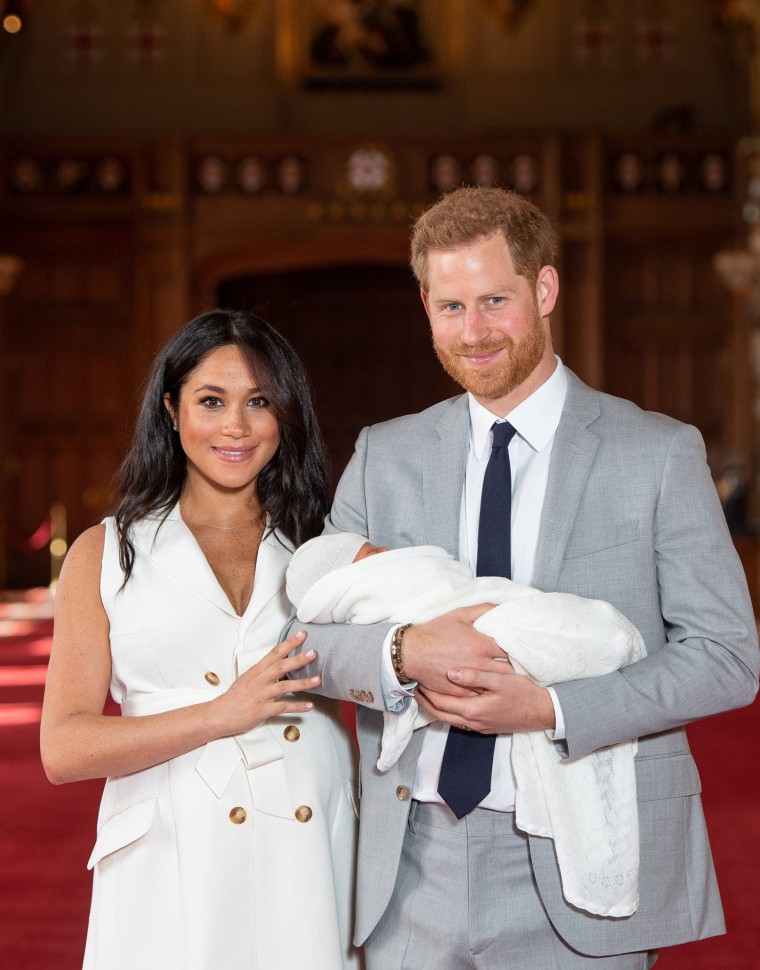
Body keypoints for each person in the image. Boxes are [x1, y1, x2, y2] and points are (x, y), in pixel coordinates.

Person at [289, 187, 760, 969]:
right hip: (411, 865)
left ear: (543, 291)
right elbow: (307, 635)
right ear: (426, 307)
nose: (472, 332)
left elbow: (728, 655)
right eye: (450, 307)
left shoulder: (657, 452)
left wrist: (550, 706)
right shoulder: (386, 454)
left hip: (579, 856)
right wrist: (402, 653)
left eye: (494, 300)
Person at [40, 309, 362, 970]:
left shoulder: (325, 544)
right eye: (211, 401)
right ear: (171, 407)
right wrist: (219, 716)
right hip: (169, 854)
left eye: (259, 402)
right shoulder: (107, 552)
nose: (235, 427)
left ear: (286, 414)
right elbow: (63, 747)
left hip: (307, 845)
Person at [286, 531, 646, 918]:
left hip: (540, 842)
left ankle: (602, 638)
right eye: (373, 554)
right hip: (412, 844)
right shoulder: (370, 477)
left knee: (572, 630)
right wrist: (404, 652)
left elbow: (717, 650)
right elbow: (300, 643)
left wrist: (551, 708)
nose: (388, 552)